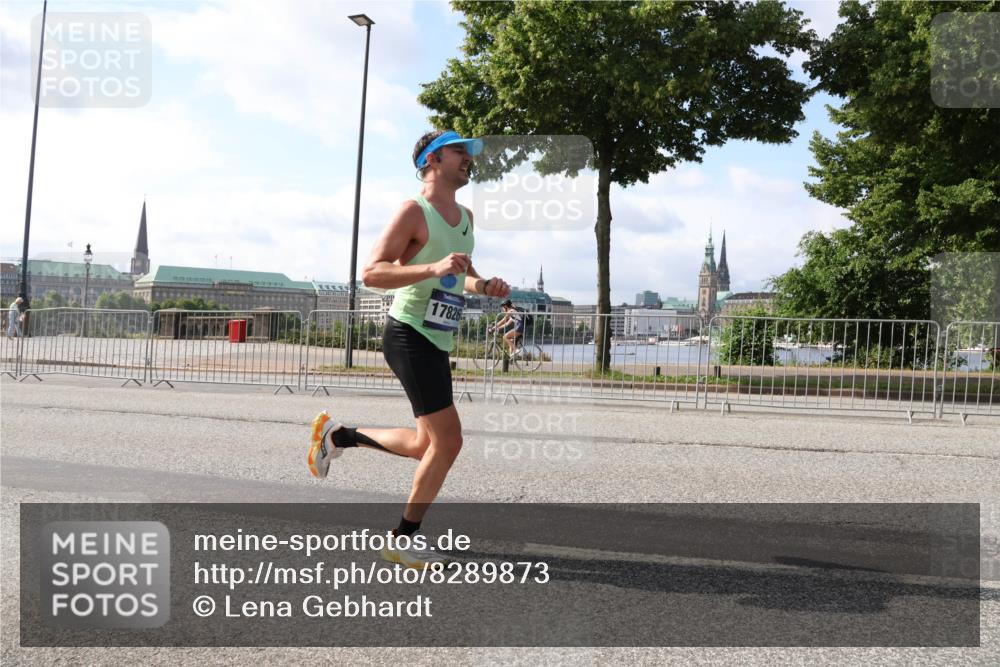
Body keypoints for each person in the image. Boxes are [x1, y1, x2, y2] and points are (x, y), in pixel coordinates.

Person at [307, 130, 511, 570]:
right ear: (433, 160)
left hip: (438, 337)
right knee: (449, 441)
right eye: (460, 151)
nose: (468, 159)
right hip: (409, 333)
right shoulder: (412, 211)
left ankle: (339, 436)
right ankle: (402, 539)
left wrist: (485, 286)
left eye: (469, 153)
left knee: (426, 445)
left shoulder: (465, 217)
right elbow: (373, 273)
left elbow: (462, 277)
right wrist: (431, 267)